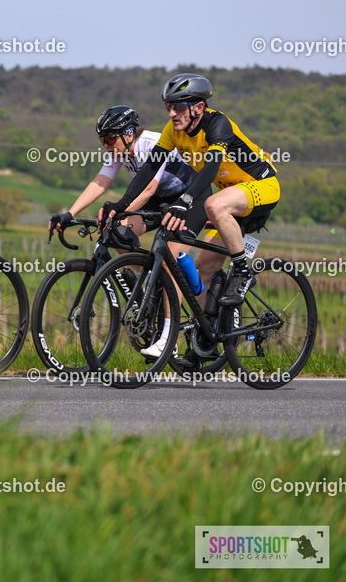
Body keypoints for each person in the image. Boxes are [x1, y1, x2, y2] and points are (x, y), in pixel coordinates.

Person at [106, 74, 280, 368]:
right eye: (168, 107)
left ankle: (241, 271)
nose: (171, 113)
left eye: (177, 107)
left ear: (198, 107)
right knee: (202, 268)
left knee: (212, 203)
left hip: (261, 185)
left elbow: (210, 169)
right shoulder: (174, 131)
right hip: (227, 200)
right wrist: (122, 205)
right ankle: (203, 345)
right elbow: (149, 168)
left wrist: (185, 202)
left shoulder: (217, 125)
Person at [50, 105, 197, 359]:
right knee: (118, 232)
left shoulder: (152, 144)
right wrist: (69, 213)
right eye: (102, 140)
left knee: (170, 259)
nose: (106, 145)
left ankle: (168, 338)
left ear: (128, 134)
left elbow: (149, 189)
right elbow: (100, 183)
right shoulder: (119, 152)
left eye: (109, 139)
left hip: (188, 201)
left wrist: (118, 209)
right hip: (159, 201)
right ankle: (149, 281)